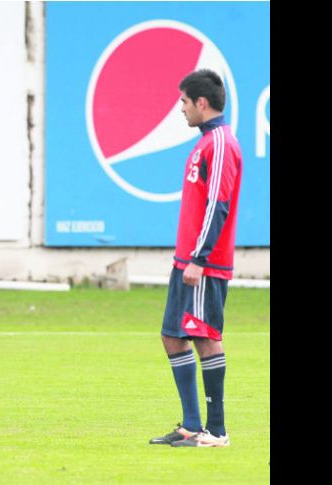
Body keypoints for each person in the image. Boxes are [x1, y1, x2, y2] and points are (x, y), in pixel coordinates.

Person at [149, 69, 243, 448]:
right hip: (186, 261)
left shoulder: (220, 143)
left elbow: (218, 204)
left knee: (205, 337)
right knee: (173, 336)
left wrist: (200, 259)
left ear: (201, 102)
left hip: (204, 264)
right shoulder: (205, 142)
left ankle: (216, 431)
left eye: (184, 101)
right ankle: (191, 424)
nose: (181, 108)